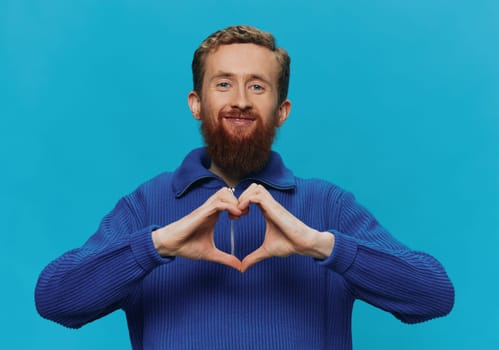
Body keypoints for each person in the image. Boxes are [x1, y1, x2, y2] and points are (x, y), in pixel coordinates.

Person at [35, 25, 454, 349]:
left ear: (281, 110)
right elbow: (55, 300)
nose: (240, 100)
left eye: (257, 86)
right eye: (223, 84)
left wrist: (321, 245)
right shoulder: (146, 206)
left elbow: (433, 295)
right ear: (196, 103)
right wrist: (157, 245)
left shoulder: (327, 205)